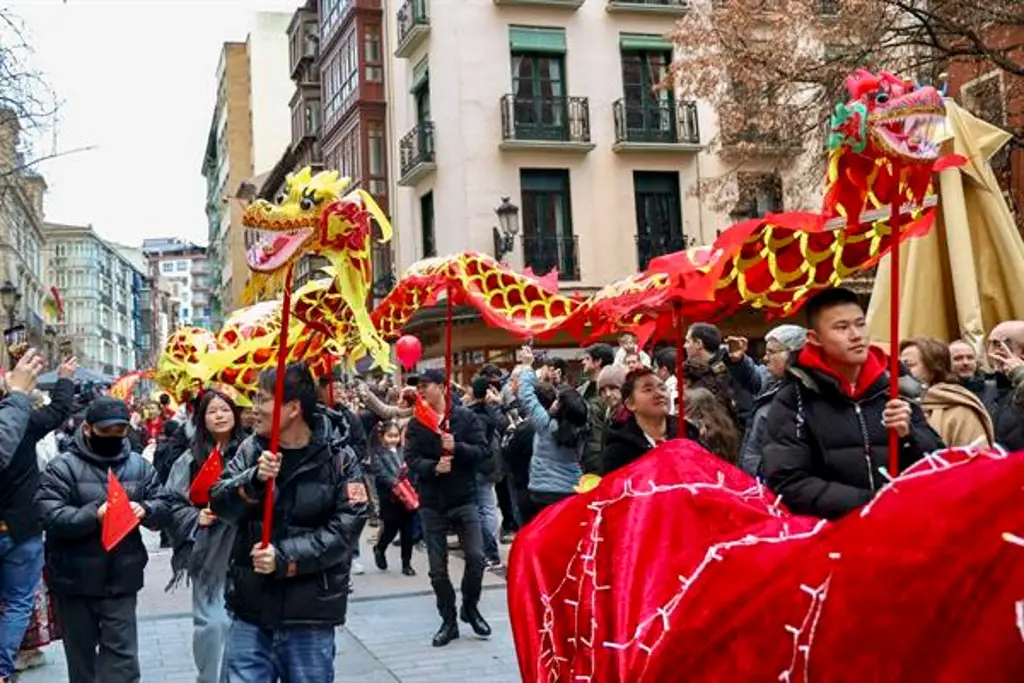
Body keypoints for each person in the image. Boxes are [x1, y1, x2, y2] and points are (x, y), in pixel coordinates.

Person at [210, 363, 366, 683]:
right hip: (250, 609)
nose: (254, 409)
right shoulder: (252, 449)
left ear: (293, 407)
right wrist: (252, 480)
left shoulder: (340, 457)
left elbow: (347, 529)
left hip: (310, 615)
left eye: (262, 399)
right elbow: (219, 502)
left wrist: (284, 558)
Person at [760, 288, 944, 520]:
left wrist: (908, 437)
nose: (856, 335)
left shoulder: (895, 389)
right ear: (815, 338)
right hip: (835, 537)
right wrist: (872, 504)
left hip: (902, 529)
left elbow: (938, 464)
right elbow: (788, 481)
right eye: (841, 327)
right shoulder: (794, 399)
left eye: (860, 324)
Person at [36, 395, 166, 683]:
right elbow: (50, 516)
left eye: (119, 431)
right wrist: (94, 514)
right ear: (87, 428)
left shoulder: (139, 466)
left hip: (121, 579)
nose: (113, 436)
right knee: (83, 666)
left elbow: (164, 504)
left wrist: (145, 509)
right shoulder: (62, 467)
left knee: (124, 663)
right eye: (105, 431)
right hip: (74, 580)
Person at [162, 390, 247, 683]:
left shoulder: (252, 452)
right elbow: (171, 503)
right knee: (213, 624)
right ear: (202, 419)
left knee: (244, 626)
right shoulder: (189, 459)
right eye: (212, 411)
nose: (220, 415)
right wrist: (194, 518)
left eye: (225, 409)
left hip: (245, 548)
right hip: (207, 551)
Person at [403, 368, 491, 648]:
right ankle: (449, 620)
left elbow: (483, 451)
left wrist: (459, 447)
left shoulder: (465, 418)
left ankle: (470, 606)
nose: (422, 391)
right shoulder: (417, 424)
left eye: (426, 385)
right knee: (438, 570)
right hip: (432, 504)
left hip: (464, 498)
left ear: (442, 387)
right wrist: (433, 467)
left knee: (476, 558)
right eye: (419, 387)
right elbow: (412, 460)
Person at [0, 349, 47, 683]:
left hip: (21, 527)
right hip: (21, 528)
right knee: (17, 601)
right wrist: (19, 396)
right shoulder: (25, 423)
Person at [516, 347, 589, 516]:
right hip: (572, 487)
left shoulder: (545, 425)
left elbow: (526, 395)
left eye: (558, 401)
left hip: (542, 490)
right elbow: (574, 404)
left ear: (560, 407)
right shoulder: (583, 427)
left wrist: (527, 366)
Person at [602, 368, 700, 475]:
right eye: (648, 390)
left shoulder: (688, 435)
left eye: (662, 388)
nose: (659, 394)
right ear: (630, 404)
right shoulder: (619, 451)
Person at [900, 338, 994, 448]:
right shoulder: (890, 404)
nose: (900, 371)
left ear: (933, 367)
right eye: (899, 365)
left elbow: (976, 460)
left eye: (908, 365)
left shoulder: (960, 410)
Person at [740, 324, 806, 477]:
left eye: (771, 352)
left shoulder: (804, 397)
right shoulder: (775, 386)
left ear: (792, 354)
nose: (765, 358)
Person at [684, 323, 762, 431]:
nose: (684, 346)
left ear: (698, 343)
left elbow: (745, 409)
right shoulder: (691, 372)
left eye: (687, 341)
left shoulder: (733, 368)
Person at [370, 420, 417, 576]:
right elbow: (381, 473)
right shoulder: (377, 453)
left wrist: (409, 485)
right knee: (390, 529)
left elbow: (411, 469)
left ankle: (406, 563)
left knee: (407, 531)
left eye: (396, 436)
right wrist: (397, 485)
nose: (393, 439)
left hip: (407, 498)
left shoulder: (403, 451)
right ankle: (380, 548)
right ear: (382, 436)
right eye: (390, 436)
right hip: (390, 498)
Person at [948, 339, 999, 413]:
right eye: (958, 358)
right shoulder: (939, 392)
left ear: (976, 362)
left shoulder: (994, 390)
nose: (965, 362)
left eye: (970, 358)